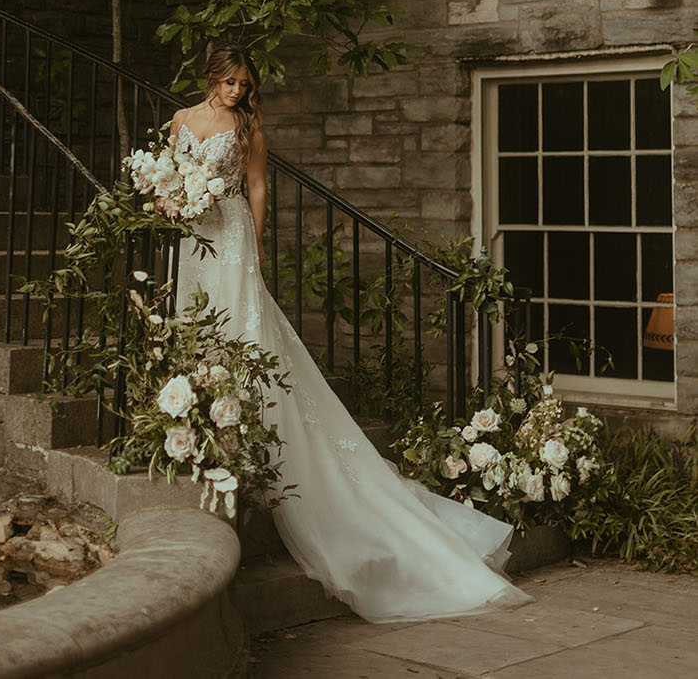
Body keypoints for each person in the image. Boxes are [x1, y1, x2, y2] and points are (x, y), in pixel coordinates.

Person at [171, 44, 529, 624]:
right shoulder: (181, 121)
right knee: (196, 327)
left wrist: (255, 248)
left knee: (244, 332)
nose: (238, 91)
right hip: (190, 237)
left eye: (245, 83)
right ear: (211, 77)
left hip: (230, 236)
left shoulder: (247, 128)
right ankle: (205, 425)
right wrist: (169, 200)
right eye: (231, 82)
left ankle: (248, 434)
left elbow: (257, 189)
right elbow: (168, 177)